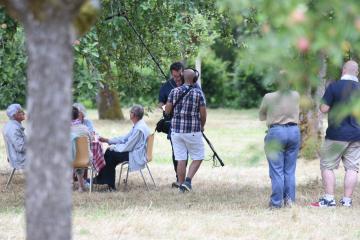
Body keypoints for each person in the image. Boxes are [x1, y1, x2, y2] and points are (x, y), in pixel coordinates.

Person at [311, 60, 360, 207]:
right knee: (352, 168)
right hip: (357, 134)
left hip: (336, 134)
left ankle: (329, 199)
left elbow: (324, 109)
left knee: (327, 165)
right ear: (357, 72)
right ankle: (347, 201)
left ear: (343, 70)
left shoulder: (334, 86)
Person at [259, 81, 301, 208]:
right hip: (294, 132)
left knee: (277, 171)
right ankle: (290, 202)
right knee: (290, 170)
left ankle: (276, 204)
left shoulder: (269, 97)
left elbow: (261, 116)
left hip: (276, 132)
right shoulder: (296, 95)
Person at [165, 69, 207, 192]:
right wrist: (202, 126)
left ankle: (181, 185)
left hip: (176, 131)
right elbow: (203, 115)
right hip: (193, 130)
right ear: (194, 79)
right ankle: (187, 182)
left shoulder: (174, 91)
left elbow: (167, 111)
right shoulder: (198, 94)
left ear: (182, 78)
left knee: (181, 159)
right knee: (198, 156)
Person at [94, 105, 150, 191]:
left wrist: (114, 147)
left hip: (135, 154)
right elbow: (125, 138)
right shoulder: (138, 125)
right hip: (134, 151)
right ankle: (104, 179)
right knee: (110, 153)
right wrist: (108, 140)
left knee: (110, 154)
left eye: (130, 112)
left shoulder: (139, 128)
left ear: (134, 115)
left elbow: (128, 146)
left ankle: (107, 183)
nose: (129, 113)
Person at [158, 61, 188, 188]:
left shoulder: (190, 84)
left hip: (188, 123)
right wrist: (165, 108)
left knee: (185, 151)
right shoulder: (166, 86)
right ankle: (179, 177)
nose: (177, 79)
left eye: (179, 76)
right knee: (176, 151)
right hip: (172, 123)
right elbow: (160, 103)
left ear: (183, 72)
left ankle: (182, 177)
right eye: (174, 76)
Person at [71, 106, 93, 192]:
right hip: (86, 159)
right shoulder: (85, 128)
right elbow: (91, 141)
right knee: (80, 155)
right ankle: (81, 186)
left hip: (69, 160)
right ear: (77, 116)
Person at [2, 103, 26, 169]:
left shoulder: (11, 125)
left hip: (17, 157)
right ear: (15, 115)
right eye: (21, 111)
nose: (24, 113)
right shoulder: (13, 129)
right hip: (21, 160)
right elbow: (21, 148)